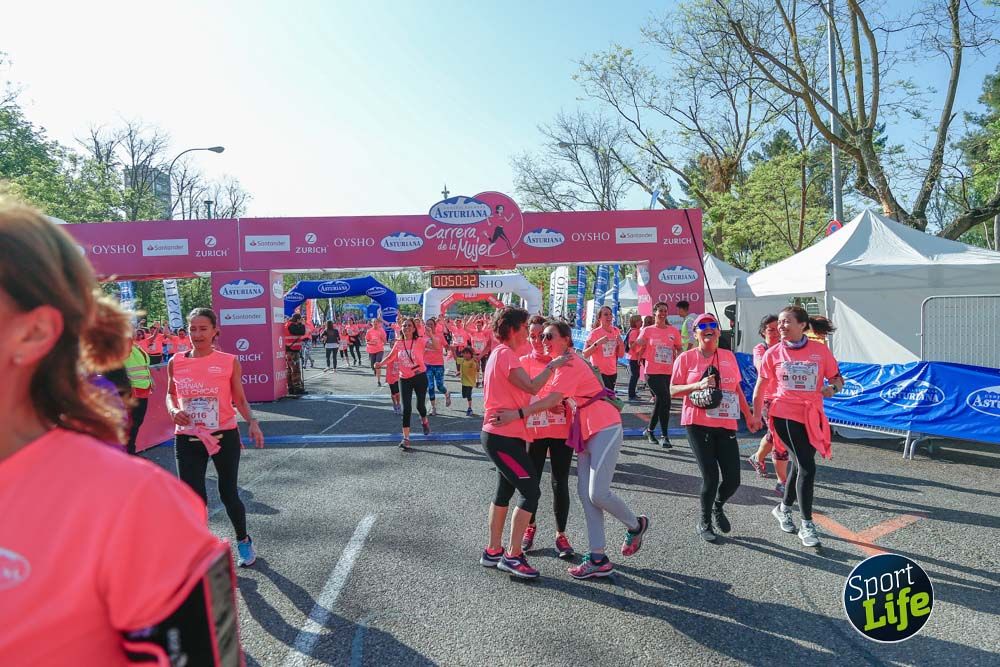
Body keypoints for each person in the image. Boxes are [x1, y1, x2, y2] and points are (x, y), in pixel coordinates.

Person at [0, 203, 243, 665]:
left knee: (227, 492)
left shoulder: (133, 505)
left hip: (211, 439)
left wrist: (241, 419)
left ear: (33, 333)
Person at [529, 320, 650, 579]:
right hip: (583, 429)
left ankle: (636, 524)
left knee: (598, 493)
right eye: (542, 337)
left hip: (604, 425)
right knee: (586, 496)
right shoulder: (561, 365)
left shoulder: (569, 362)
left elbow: (551, 398)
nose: (544, 341)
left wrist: (520, 412)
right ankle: (598, 557)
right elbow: (551, 399)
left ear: (566, 338)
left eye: (549, 336)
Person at [167, 307, 266, 566]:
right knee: (193, 498)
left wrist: (252, 422)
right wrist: (174, 409)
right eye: (192, 329)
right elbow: (170, 394)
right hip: (187, 437)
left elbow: (240, 399)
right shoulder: (175, 361)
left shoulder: (228, 361)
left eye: (203, 329)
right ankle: (201, 549)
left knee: (228, 493)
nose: (197, 334)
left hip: (223, 434)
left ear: (214, 332)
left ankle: (243, 541)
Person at [479, 307, 572, 579]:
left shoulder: (501, 354)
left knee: (503, 493)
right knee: (531, 493)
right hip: (503, 436)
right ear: (512, 329)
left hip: (505, 435)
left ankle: (493, 550)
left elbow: (523, 395)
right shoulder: (506, 354)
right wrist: (553, 366)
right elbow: (531, 387)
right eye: (523, 328)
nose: (527, 334)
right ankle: (513, 555)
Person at [753, 306, 844, 548]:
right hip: (783, 413)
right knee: (807, 466)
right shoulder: (772, 353)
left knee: (798, 465)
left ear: (802, 325)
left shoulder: (820, 351)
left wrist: (832, 389)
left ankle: (783, 508)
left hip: (811, 415)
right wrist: (754, 413)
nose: (781, 326)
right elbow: (761, 386)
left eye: (786, 322)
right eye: (780, 322)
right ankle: (807, 524)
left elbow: (837, 379)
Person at [671, 313, 758, 542]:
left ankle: (718, 506)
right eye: (703, 326)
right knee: (711, 476)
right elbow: (672, 391)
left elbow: (737, 389)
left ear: (719, 331)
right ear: (696, 333)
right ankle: (705, 520)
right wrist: (697, 385)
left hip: (726, 422)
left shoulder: (728, 356)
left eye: (713, 325)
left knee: (733, 479)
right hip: (697, 423)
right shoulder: (686, 358)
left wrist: (748, 415)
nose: (709, 329)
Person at [518, 316, 575, 560]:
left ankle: (561, 535)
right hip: (534, 432)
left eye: (544, 335)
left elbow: (578, 394)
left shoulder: (566, 361)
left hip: (561, 430)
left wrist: (563, 403)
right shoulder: (523, 362)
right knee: (531, 484)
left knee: (559, 483)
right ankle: (529, 527)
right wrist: (546, 405)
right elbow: (519, 398)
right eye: (533, 336)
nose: (539, 340)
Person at [631, 301, 683, 448]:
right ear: (654, 313)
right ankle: (665, 436)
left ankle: (650, 430)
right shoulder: (647, 330)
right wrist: (638, 343)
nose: (662, 313)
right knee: (666, 399)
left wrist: (679, 357)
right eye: (660, 310)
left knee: (660, 402)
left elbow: (679, 348)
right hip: (652, 372)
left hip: (668, 372)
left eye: (665, 311)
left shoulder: (673, 331)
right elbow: (635, 348)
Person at [747, 315, 789, 495]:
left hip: (787, 398)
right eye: (770, 330)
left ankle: (757, 457)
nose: (774, 333)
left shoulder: (786, 348)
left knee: (774, 434)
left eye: (777, 329)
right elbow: (761, 366)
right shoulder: (760, 349)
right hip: (768, 398)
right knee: (779, 438)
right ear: (763, 331)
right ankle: (782, 481)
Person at [375, 318, 430, 449]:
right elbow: (391, 357)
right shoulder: (399, 343)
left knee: (420, 406)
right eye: (404, 326)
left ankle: (425, 421)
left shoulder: (420, 341)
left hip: (420, 377)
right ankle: (406, 438)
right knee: (406, 409)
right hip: (405, 378)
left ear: (414, 328)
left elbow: (437, 346)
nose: (406, 328)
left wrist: (431, 333)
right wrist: (380, 364)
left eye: (409, 326)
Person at [583, 305, 625, 392]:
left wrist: (621, 343)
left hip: (612, 371)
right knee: (603, 399)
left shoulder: (616, 331)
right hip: (599, 372)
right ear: (599, 318)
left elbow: (620, 355)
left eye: (610, 314)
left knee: (608, 399)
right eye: (606, 314)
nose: (609, 317)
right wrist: (597, 343)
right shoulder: (594, 333)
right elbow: (585, 354)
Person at [123, 339, 153, 455]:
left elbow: (144, 366)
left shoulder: (136, 346)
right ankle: (129, 453)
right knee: (132, 425)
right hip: (133, 391)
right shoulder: (125, 344)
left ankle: (130, 451)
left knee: (136, 423)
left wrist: (151, 379)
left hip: (143, 390)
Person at [423, 317, 452, 415]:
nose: (429, 326)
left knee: (439, 386)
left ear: (435, 326)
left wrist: (450, 348)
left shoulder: (439, 335)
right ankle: (433, 407)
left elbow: (445, 346)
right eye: (428, 324)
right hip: (427, 365)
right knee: (430, 386)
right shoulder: (422, 336)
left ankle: (447, 394)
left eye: (431, 324)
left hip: (438, 364)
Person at [284, 313, 307, 394]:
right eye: (300, 320)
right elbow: (301, 332)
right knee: (295, 370)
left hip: (288, 349)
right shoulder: (292, 326)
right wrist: (303, 325)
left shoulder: (287, 325)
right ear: (297, 320)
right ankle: (297, 388)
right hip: (292, 351)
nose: (301, 321)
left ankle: (290, 387)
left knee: (289, 370)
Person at [624, 314, 644, 401]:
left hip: (634, 356)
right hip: (633, 357)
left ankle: (632, 394)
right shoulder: (634, 332)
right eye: (640, 320)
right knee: (634, 376)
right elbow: (631, 345)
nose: (642, 322)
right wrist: (638, 343)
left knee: (635, 375)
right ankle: (631, 395)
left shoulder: (635, 331)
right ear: (635, 322)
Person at [366, 317, 387, 385]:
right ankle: (375, 370)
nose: (375, 323)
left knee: (377, 364)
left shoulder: (381, 330)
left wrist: (382, 340)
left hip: (379, 349)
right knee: (373, 366)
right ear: (372, 323)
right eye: (374, 322)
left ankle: (378, 381)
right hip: (371, 350)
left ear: (378, 323)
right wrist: (371, 342)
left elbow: (384, 341)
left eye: (376, 322)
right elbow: (367, 340)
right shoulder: (369, 331)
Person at [458, 346, 478, 416]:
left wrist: (476, 361)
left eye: (467, 353)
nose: (466, 355)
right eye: (464, 353)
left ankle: (470, 408)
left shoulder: (473, 361)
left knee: (469, 395)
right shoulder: (462, 360)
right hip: (464, 381)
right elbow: (456, 359)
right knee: (464, 395)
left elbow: (477, 367)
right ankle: (469, 406)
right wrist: (452, 350)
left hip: (470, 382)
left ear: (471, 354)